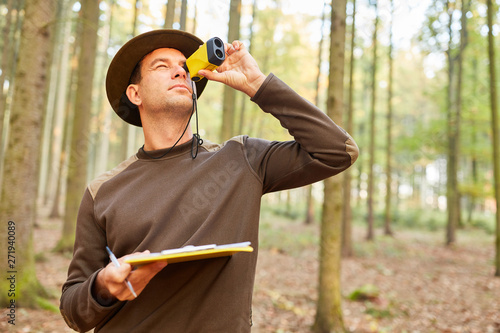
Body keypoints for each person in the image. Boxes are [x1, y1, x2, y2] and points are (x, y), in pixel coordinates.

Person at [59, 29, 358, 332]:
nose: (179, 70)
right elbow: (73, 309)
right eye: (162, 66)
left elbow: (337, 151)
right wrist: (102, 286)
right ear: (135, 94)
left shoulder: (241, 159)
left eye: (183, 66)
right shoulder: (102, 191)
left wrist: (258, 85)